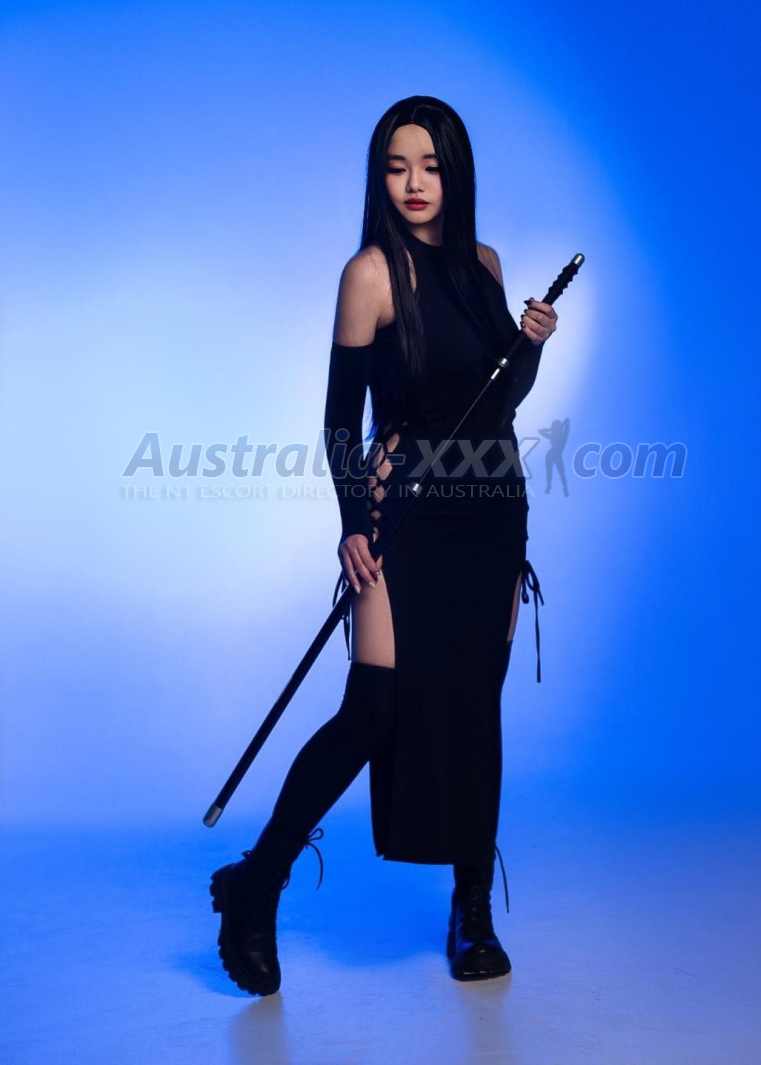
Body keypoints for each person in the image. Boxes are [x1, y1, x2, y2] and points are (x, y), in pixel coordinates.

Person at [210, 96, 558, 996]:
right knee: (373, 708)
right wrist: (351, 526)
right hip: (402, 514)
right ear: (380, 176)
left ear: (455, 173)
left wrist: (528, 346)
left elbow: (496, 401)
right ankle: (257, 882)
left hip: (490, 510)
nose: (413, 183)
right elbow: (338, 422)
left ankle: (471, 910)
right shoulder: (368, 275)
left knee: (476, 707)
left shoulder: (483, 265)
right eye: (397, 166)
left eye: (431, 165)